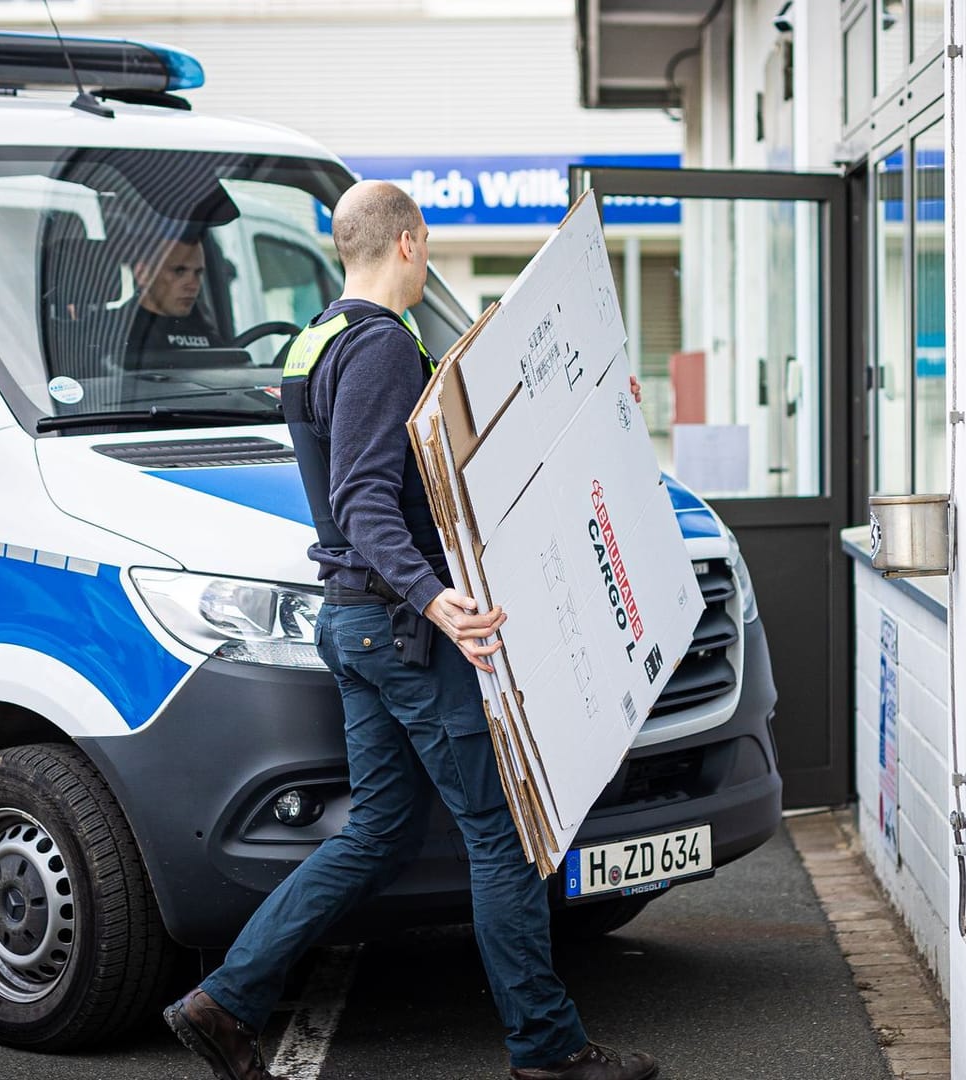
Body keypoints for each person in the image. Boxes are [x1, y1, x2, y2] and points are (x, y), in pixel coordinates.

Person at [162, 180, 658, 1080]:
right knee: (500, 835)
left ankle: (223, 1001)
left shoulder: (316, 340)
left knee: (379, 831)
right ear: (411, 242)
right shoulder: (385, 346)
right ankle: (548, 1051)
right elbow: (362, 500)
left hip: (355, 624)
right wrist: (436, 599)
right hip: (400, 631)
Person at [124, 231, 221, 361]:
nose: (193, 285)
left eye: (198, 273)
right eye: (179, 271)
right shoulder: (119, 330)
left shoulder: (202, 324)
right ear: (143, 274)